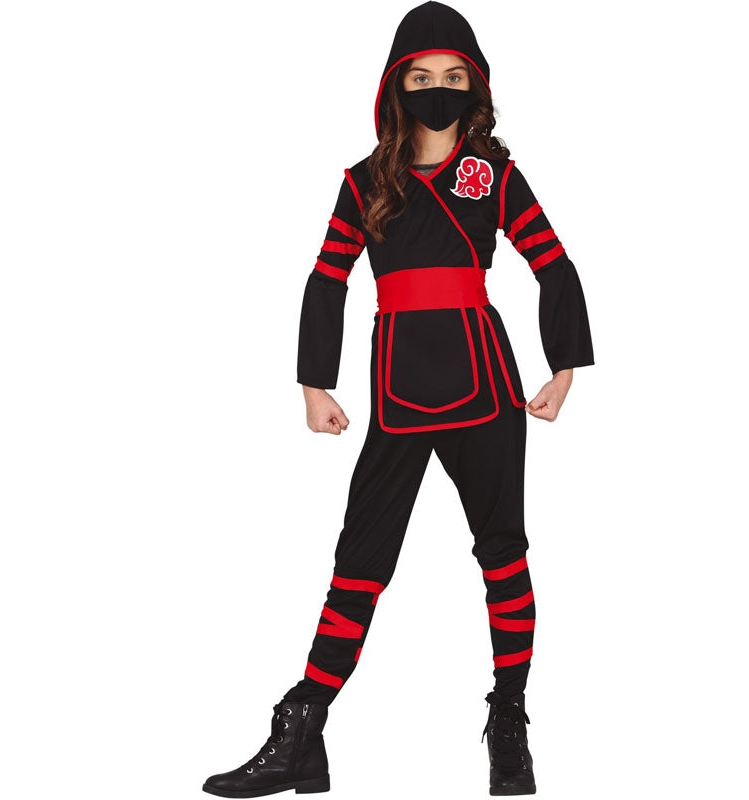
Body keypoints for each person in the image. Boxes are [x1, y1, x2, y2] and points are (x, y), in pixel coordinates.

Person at [202, 2, 594, 796]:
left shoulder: (496, 177)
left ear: (475, 88)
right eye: (421, 78)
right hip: (398, 392)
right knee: (361, 559)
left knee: (503, 552)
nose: (437, 90)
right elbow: (327, 278)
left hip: (487, 389)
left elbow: (553, 263)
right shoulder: (363, 182)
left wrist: (564, 367)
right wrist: (314, 383)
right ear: (395, 87)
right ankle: (304, 730)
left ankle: (509, 720)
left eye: (453, 77)